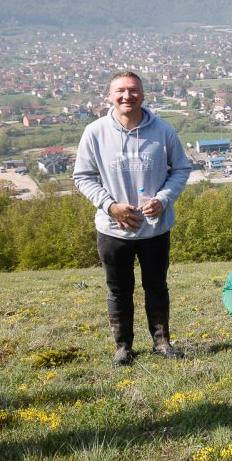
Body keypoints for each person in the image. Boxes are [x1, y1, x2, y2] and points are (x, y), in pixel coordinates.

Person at [73, 71, 192, 366]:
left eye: (133, 90)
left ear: (143, 94)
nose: (127, 96)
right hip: (113, 230)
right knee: (118, 290)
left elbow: (181, 169)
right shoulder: (95, 132)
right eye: (121, 90)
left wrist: (163, 200)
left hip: (155, 229)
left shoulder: (163, 131)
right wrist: (110, 206)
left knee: (157, 286)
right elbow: (82, 176)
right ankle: (123, 347)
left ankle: (162, 343)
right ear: (110, 96)